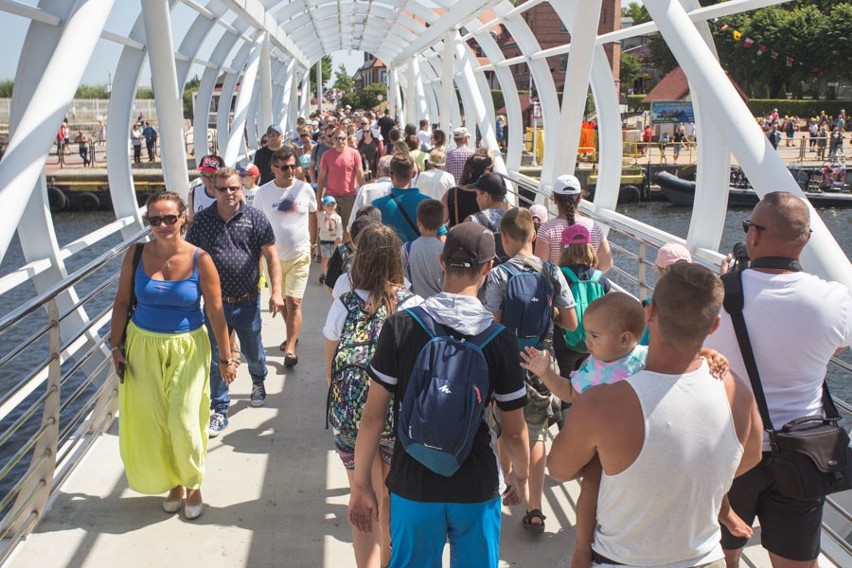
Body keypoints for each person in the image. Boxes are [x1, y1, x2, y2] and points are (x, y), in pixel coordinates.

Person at [546, 262, 764, 567]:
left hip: (621, 559)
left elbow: (558, 469)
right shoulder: (737, 392)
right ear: (713, 326)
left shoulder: (600, 404)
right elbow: (750, 457)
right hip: (706, 558)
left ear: (650, 313)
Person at [348, 223, 531, 567]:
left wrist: (361, 485)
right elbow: (515, 430)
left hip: (412, 480)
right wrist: (519, 476)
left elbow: (372, 418)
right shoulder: (500, 338)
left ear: (442, 262)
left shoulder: (401, 325)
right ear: (489, 268)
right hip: (476, 483)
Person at [706, 192, 852, 567]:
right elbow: (836, 345)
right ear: (804, 241)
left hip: (731, 448)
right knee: (797, 561)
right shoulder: (834, 300)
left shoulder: (719, 295)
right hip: (803, 455)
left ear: (753, 236)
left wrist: (727, 276)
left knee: (719, 547)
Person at [109, 192, 235, 520]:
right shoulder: (135, 255)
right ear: (148, 223)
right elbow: (122, 302)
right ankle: (173, 483)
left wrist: (226, 356)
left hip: (188, 346)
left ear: (183, 219)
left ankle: (192, 483)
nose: (163, 225)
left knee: (184, 420)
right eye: (155, 220)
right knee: (154, 422)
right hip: (143, 344)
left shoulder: (200, 259)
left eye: (169, 218)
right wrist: (115, 346)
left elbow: (216, 309)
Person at [324, 224, 423, 568]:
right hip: (399, 424)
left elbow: (331, 370)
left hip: (351, 423)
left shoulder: (343, 304)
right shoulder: (414, 306)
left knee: (362, 500)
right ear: (398, 259)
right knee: (392, 501)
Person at [484, 208, 578, 535]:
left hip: (507, 362)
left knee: (507, 427)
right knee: (536, 433)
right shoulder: (552, 271)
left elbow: (493, 325)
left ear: (505, 238)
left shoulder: (498, 274)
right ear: (534, 236)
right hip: (542, 361)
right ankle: (535, 508)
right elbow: (572, 322)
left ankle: (504, 488)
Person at [185, 167, 284, 437]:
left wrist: (276, 292)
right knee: (217, 355)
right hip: (214, 304)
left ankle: (258, 379)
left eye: (234, 188)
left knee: (253, 349)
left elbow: (271, 256)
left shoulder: (255, 218)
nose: (229, 193)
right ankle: (220, 408)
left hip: (247, 300)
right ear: (212, 190)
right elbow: (188, 259)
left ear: (242, 188)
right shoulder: (202, 222)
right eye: (223, 189)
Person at [254, 147, 318, 367]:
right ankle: (293, 331)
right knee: (281, 302)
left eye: (292, 166)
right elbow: (257, 226)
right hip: (273, 259)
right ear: (273, 169)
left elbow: (312, 215)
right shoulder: (262, 193)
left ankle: (290, 347)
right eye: (283, 167)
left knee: (294, 301)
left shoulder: (305, 189)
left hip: (300, 254)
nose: (289, 170)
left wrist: (314, 243)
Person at [535, 174, 612, 271]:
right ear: (579, 199)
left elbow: (540, 267)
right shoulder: (593, 227)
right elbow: (607, 263)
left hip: (558, 284)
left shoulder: (547, 229)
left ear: (554, 199)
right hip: (586, 284)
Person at [371, 153, 430, 244]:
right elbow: (440, 236)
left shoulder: (377, 206)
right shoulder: (427, 203)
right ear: (413, 174)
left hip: (390, 257)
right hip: (420, 256)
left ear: (390, 174)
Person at [318, 127, 367, 232]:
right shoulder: (326, 155)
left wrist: (364, 198)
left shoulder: (354, 153)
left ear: (346, 138)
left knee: (348, 228)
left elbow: (360, 176)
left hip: (349, 197)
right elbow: (321, 178)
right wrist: (318, 200)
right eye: (336, 138)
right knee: (330, 228)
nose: (340, 141)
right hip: (331, 197)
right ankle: (335, 248)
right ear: (332, 140)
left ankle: (346, 248)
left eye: (342, 138)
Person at [401, 199, 445, 298]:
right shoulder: (445, 250)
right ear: (441, 223)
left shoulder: (406, 249)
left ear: (418, 221)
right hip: (438, 305)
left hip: (415, 306)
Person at [442, 151, 493, 227]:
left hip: (457, 236)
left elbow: (442, 219)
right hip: (482, 236)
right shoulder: (488, 194)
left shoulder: (451, 192)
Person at [348, 155, 393, 231]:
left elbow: (352, 223)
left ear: (378, 170)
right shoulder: (402, 191)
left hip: (369, 237)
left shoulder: (365, 190)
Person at [188, 154, 225, 220]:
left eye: (212, 177)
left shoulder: (232, 193)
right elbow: (191, 221)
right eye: (204, 176)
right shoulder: (193, 194)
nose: (208, 181)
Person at [318, 196, 343, 285]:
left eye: (332, 205)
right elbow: (317, 224)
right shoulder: (321, 215)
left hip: (334, 240)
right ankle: (323, 274)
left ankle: (330, 275)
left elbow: (340, 228)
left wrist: (339, 237)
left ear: (335, 206)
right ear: (324, 206)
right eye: (328, 205)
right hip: (324, 239)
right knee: (325, 258)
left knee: (333, 258)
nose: (330, 207)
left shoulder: (338, 217)